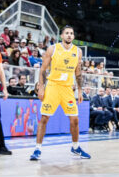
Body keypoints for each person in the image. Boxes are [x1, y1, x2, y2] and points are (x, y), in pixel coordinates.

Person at [31, 26, 89, 161]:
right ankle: (37, 149)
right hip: (52, 87)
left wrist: (80, 90)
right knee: (44, 118)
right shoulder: (53, 49)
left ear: (73, 37)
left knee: (75, 120)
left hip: (68, 89)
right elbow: (43, 69)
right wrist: (41, 87)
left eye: (71, 33)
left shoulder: (78, 51)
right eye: (67, 33)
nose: (69, 35)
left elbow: (78, 72)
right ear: (61, 36)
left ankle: (75, 147)